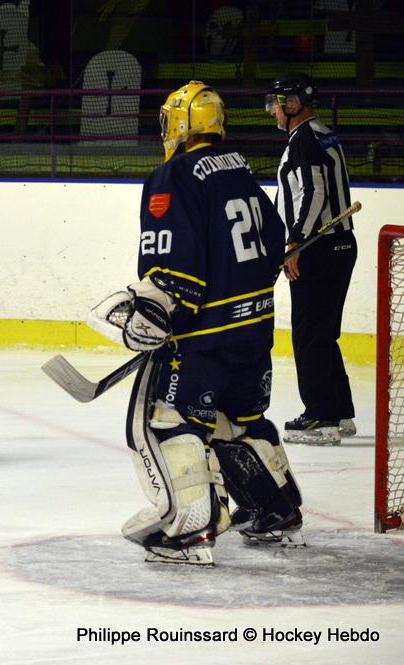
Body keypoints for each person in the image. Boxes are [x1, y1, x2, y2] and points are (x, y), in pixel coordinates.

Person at [88, 81, 303, 565]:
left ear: (183, 123)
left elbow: (174, 266)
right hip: (254, 327)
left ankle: (191, 530)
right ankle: (276, 511)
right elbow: (273, 244)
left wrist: (157, 307)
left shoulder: (174, 174)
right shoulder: (240, 169)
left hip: (204, 337)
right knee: (242, 419)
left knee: (172, 419)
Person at [266, 73, 357, 445]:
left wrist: (296, 243)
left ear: (293, 103)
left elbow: (313, 192)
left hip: (317, 250)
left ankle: (321, 416)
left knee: (308, 336)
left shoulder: (304, 138)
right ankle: (340, 411)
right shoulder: (321, 132)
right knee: (323, 333)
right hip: (339, 246)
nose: (271, 109)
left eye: (275, 102)